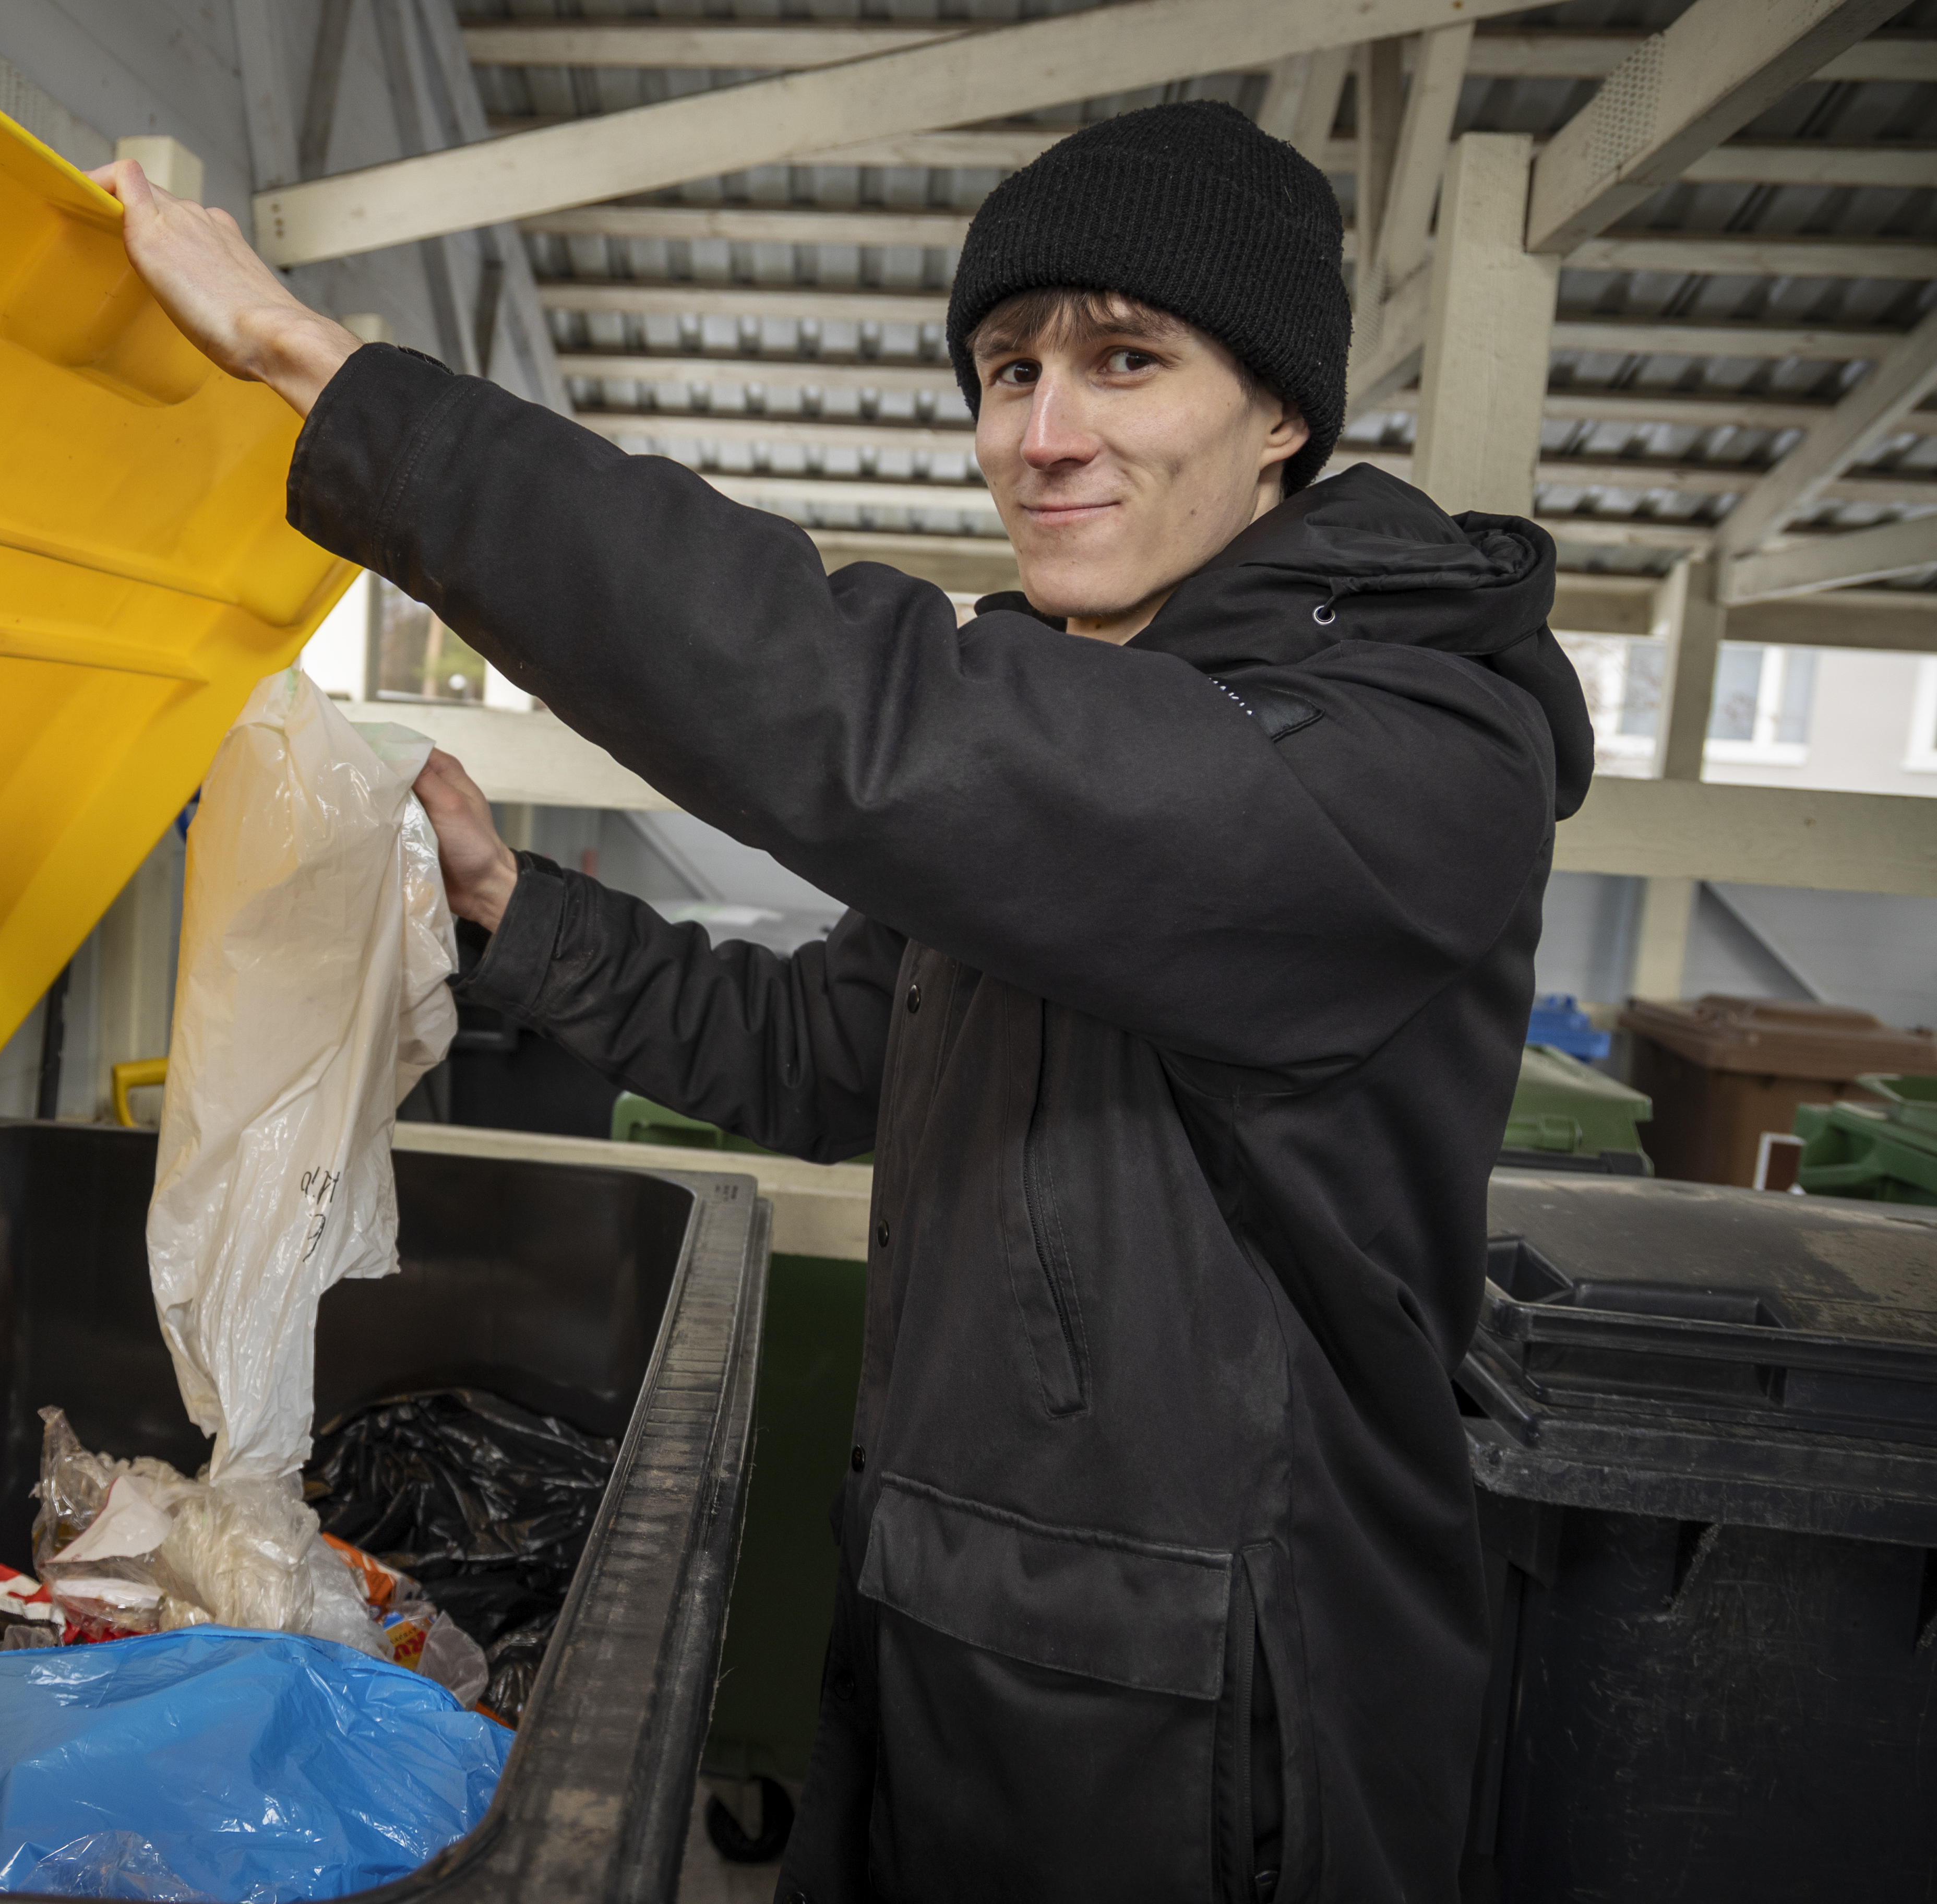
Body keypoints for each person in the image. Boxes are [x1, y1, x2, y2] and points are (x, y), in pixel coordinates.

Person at [89, 100, 1592, 1902]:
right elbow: (823, 1053)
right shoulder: (1063, 714)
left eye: (1126, 362)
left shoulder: (1398, 758)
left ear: (1280, 414)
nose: (1044, 434)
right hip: (948, 1637)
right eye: (1005, 369)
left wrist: (324, 370)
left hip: (1219, 1723)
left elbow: (864, 722)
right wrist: (510, 906)